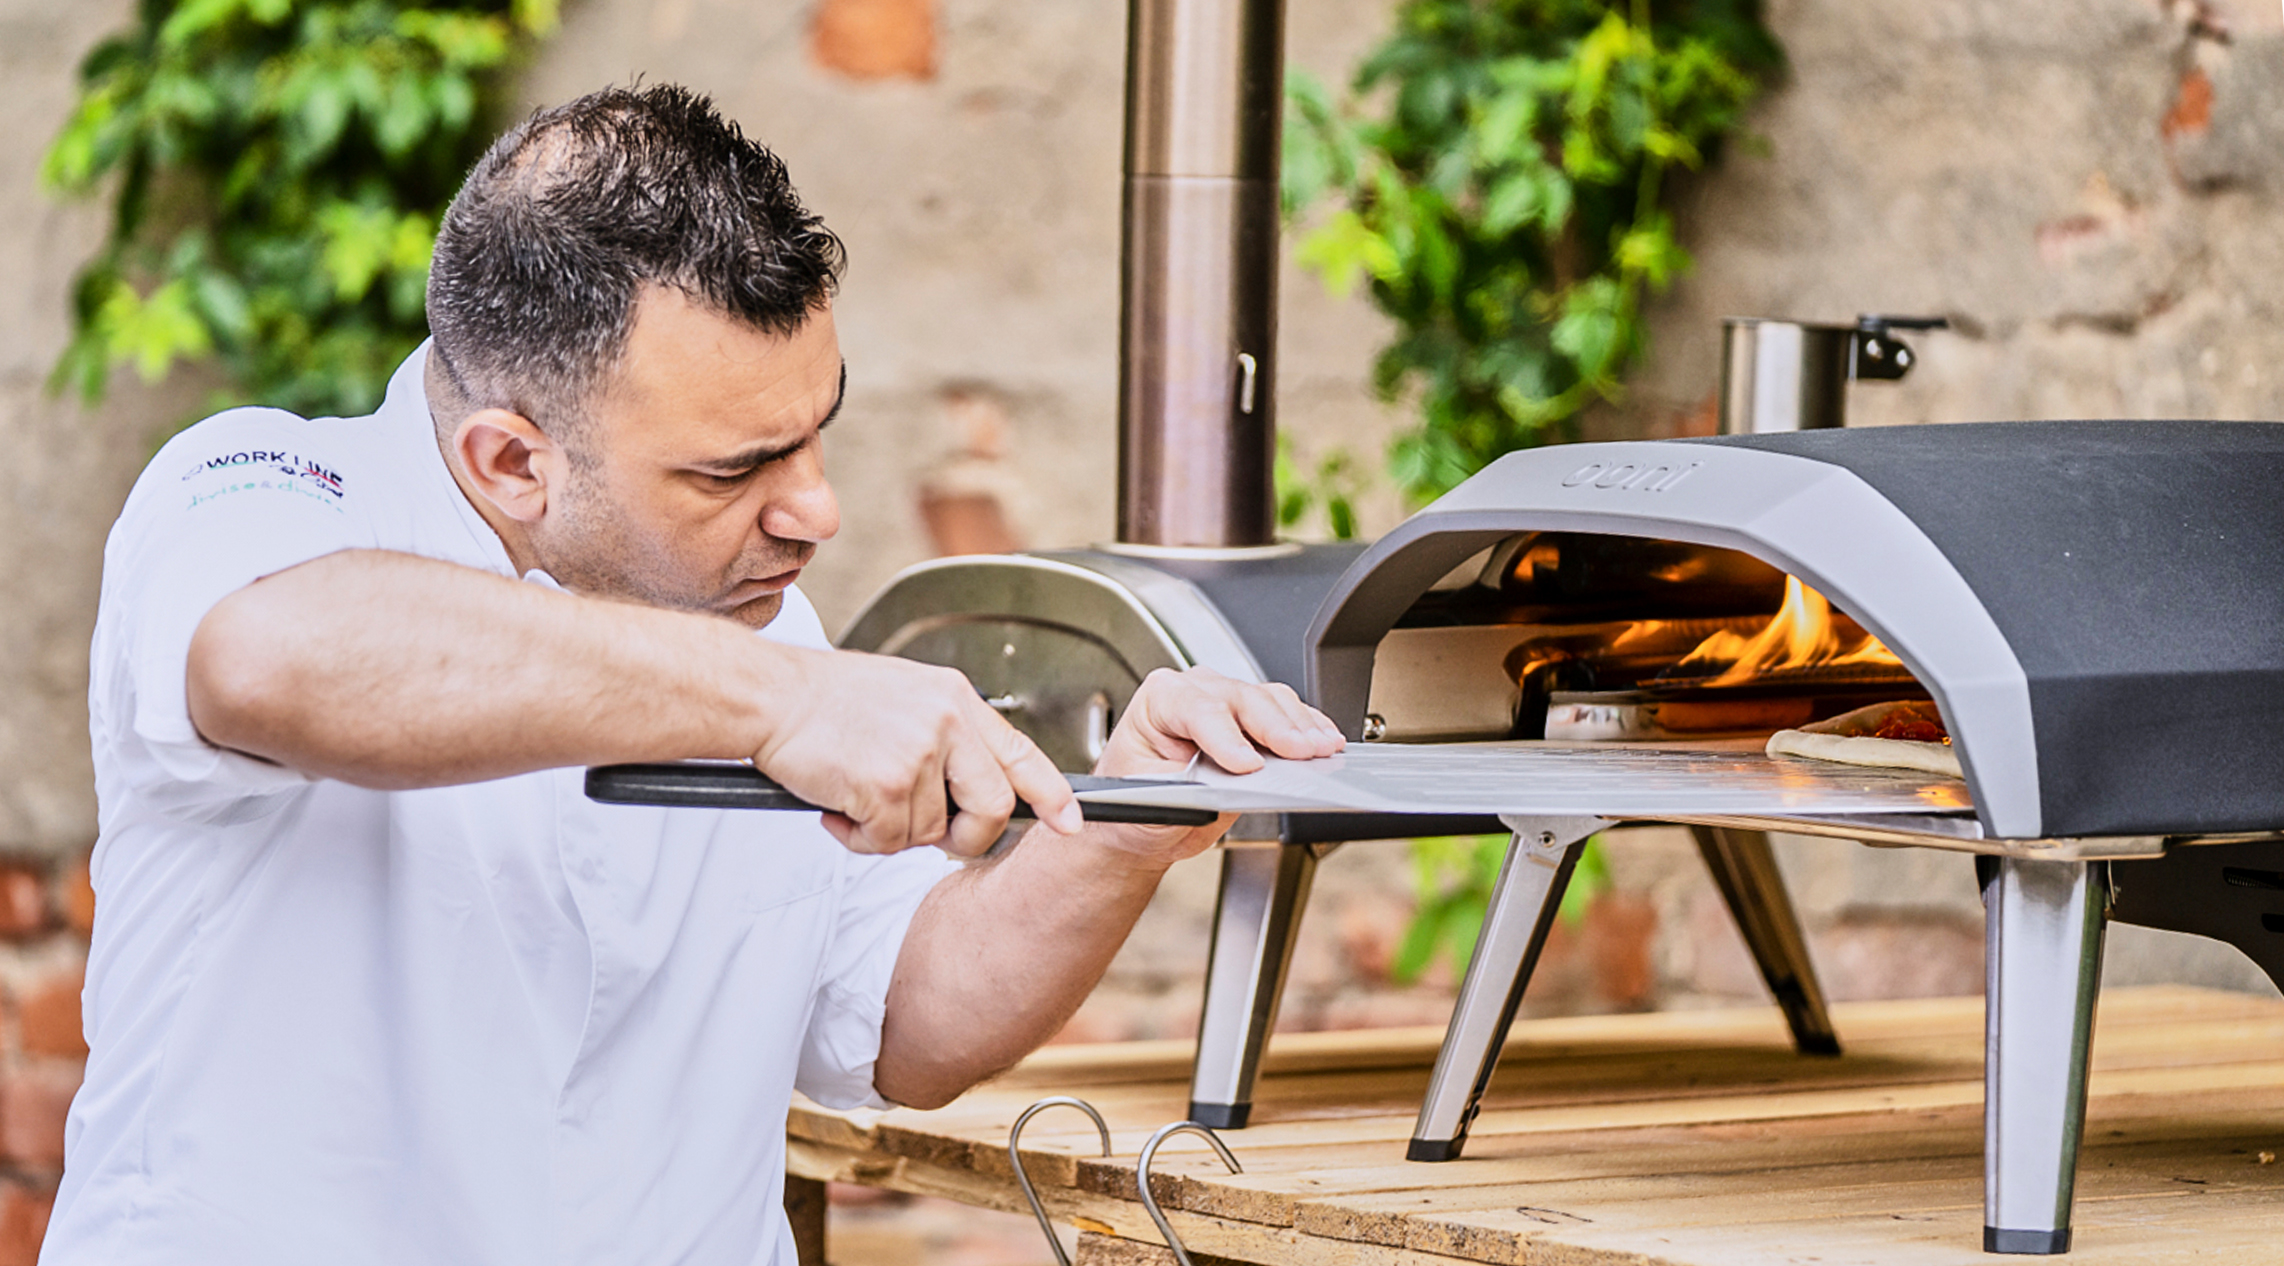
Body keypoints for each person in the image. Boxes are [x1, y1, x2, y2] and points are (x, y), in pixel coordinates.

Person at [51, 83, 1342, 1265]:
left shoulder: (771, 632)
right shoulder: (262, 499)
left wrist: (1115, 836)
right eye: (736, 469)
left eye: (818, 430)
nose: (818, 510)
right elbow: (269, 658)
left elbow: (901, 1019)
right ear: (513, 463)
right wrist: (779, 701)